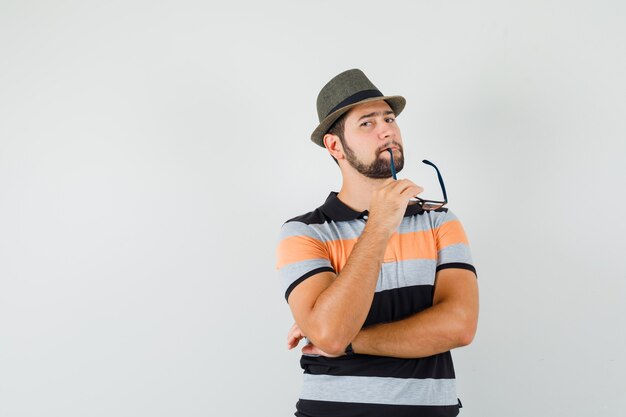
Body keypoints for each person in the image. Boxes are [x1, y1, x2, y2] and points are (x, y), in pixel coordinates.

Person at [276, 69, 479, 417]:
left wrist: (351, 342)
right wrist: (379, 227)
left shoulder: (439, 221)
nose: (387, 129)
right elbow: (331, 333)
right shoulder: (305, 232)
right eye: (367, 123)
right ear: (334, 145)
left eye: (389, 118)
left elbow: (459, 326)